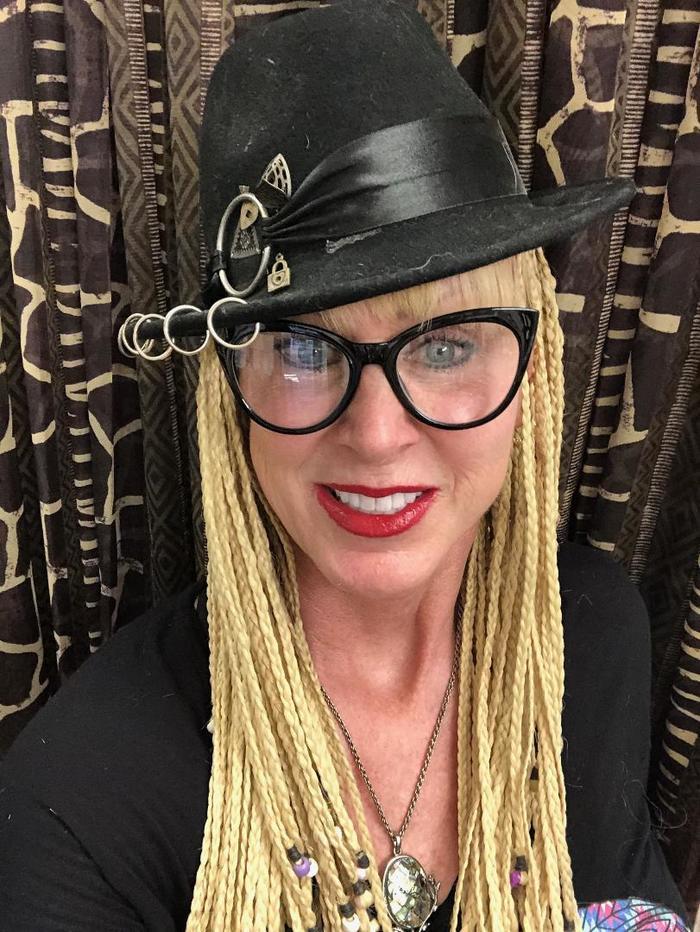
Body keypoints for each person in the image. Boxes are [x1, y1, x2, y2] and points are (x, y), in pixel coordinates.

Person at [0, 2, 689, 930]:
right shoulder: (79, 808)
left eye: (446, 345)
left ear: (533, 376)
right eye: (300, 348)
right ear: (227, 392)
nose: (376, 434)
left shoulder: (593, 635)